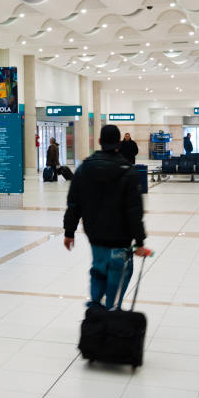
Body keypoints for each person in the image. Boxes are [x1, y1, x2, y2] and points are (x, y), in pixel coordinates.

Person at [63, 125, 149, 309]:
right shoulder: (128, 171)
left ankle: (95, 309)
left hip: (96, 235)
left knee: (99, 269)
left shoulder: (84, 168)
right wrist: (140, 242)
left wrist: (69, 231)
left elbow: (74, 203)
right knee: (118, 273)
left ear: (100, 142)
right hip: (121, 238)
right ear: (119, 142)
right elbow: (134, 211)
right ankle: (111, 311)